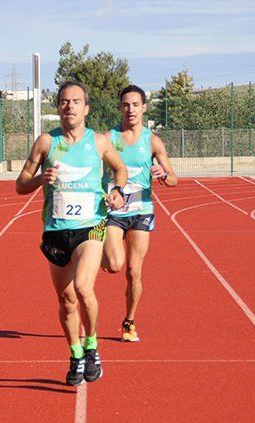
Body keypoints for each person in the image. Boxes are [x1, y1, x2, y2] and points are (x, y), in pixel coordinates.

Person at [16, 81, 128, 386]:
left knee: (82, 286)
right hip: (55, 230)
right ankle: (75, 354)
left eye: (76, 101)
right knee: (66, 301)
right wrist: (41, 179)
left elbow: (120, 170)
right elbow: (20, 185)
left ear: (86, 108)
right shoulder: (45, 143)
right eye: (64, 101)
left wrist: (117, 191)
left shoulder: (100, 142)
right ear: (58, 108)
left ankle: (92, 347)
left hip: (91, 226)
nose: (70, 106)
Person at [102, 85, 178, 342]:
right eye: (126, 104)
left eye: (135, 104)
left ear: (144, 107)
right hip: (114, 211)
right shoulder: (109, 138)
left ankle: (129, 321)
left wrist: (163, 174)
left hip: (141, 211)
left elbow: (174, 180)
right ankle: (97, 249)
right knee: (114, 265)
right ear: (120, 107)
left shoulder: (153, 141)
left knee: (134, 272)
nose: (130, 109)